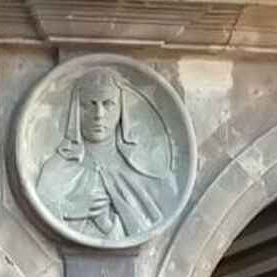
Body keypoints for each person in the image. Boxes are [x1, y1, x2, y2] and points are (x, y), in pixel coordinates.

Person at [34, 66, 177, 242]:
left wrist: (108, 225)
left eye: (108, 104)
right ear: (76, 111)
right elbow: (43, 213)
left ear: (121, 111)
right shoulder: (55, 169)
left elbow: (146, 227)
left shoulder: (144, 169)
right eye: (89, 105)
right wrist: (71, 209)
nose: (99, 115)